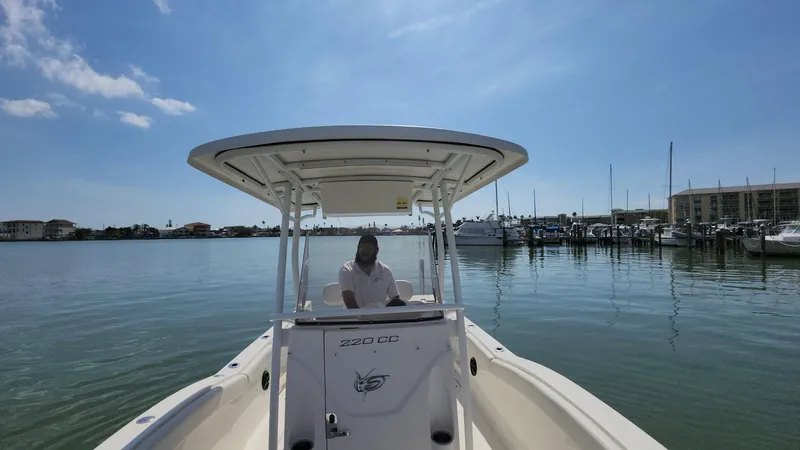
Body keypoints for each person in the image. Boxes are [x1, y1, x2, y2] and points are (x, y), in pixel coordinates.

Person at [338, 234, 406, 309]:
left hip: (379, 317)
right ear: (358, 248)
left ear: (377, 251)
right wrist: (363, 319)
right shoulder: (347, 270)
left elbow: (395, 298)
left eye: (369, 249)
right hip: (354, 317)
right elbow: (349, 300)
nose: (365, 252)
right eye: (362, 249)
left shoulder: (385, 270)